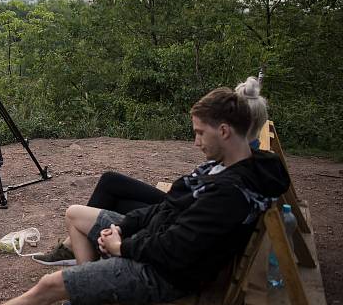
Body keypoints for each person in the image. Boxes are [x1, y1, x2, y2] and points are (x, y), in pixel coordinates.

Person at [0, 84, 289, 305]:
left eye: (200, 133)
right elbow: (167, 210)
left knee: (51, 285)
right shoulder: (231, 165)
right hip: (154, 244)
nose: (196, 142)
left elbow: (176, 247)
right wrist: (125, 225)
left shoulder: (229, 194)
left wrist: (121, 247)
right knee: (76, 214)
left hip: (163, 272)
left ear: (224, 131)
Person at [32, 76, 272, 266]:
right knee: (110, 183)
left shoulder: (236, 165)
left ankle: (76, 247)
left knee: (110, 191)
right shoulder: (249, 154)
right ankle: (73, 245)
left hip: (180, 214)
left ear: (230, 126)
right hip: (184, 205)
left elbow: (192, 218)